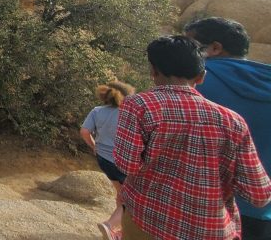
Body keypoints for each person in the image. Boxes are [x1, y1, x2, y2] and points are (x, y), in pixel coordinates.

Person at [113, 36, 271, 240]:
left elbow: (128, 165)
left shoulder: (139, 105)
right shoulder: (233, 121)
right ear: (201, 76)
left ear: (153, 71)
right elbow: (259, 195)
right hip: (211, 230)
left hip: (148, 219)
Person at [187, 18, 271, 239]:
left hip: (203, 207)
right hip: (262, 211)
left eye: (190, 46)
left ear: (215, 48)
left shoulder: (196, 80)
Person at [81, 81, 136, 240]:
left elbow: (84, 131)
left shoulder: (97, 111)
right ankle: (109, 225)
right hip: (123, 162)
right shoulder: (129, 113)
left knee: (121, 193)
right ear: (126, 96)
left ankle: (120, 232)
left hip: (104, 160)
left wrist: (94, 146)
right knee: (131, 200)